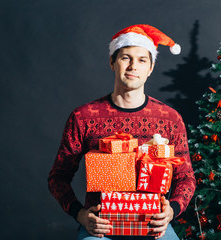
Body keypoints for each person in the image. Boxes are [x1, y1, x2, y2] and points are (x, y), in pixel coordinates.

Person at [48, 24, 196, 240]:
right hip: (101, 229)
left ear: (151, 68)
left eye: (142, 60)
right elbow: (58, 177)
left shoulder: (170, 119)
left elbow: (186, 177)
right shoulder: (83, 117)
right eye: (125, 58)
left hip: (153, 227)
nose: (133, 66)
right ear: (112, 62)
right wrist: (80, 215)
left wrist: (171, 210)